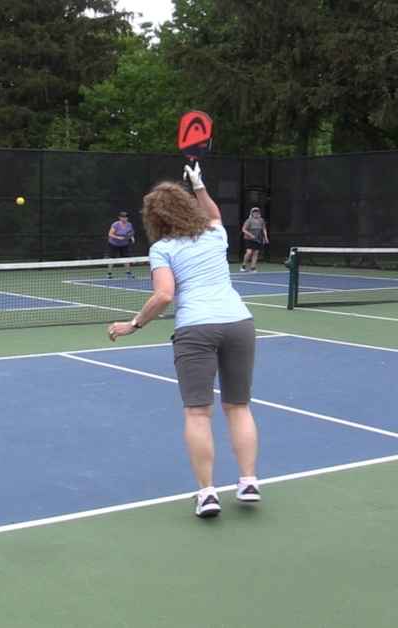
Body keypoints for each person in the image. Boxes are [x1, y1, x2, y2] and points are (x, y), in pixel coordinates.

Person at [107, 162, 259, 518]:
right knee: (239, 407)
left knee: (197, 412)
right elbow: (215, 214)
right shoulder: (215, 233)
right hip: (239, 322)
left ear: (154, 218)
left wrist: (134, 325)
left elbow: (163, 296)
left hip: (197, 329)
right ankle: (249, 481)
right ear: (188, 207)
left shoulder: (162, 249)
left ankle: (207, 494)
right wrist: (200, 185)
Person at [106, 211, 137, 279]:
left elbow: (130, 233)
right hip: (113, 244)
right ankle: (109, 274)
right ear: (119, 218)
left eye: (126, 217)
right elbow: (110, 234)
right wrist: (118, 237)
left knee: (126, 259)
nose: (124, 218)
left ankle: (128, 273)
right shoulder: (115, 224)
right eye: (122, 217)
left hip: (124, 244)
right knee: (111, 259)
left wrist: (132, 237)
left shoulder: (129, 224)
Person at [240, 207, 268, 272]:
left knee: (256, 253)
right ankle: (243, 265)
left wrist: (266, 237)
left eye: (257, 212)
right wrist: (251, 235)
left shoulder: (261, 220)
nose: (256, 213)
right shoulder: (248, 220)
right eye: (254, 212)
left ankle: (253, 267)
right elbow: (243, 229)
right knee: (249, 252)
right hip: (249, 239)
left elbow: (264, 229)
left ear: (259, 213)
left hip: (258, 239)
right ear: (252, 213)